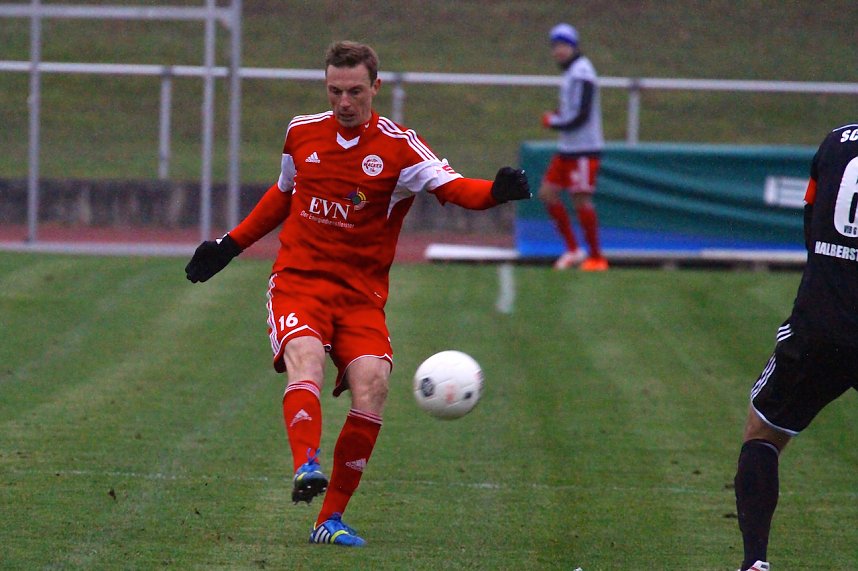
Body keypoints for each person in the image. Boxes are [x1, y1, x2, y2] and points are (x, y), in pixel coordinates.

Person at [184, 40, 531, 547]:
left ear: (375, 87)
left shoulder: (400, 148)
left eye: (354, 91)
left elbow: (454, 188)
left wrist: (495, 193)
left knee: (373, 384)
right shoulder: (301, 133)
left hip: (360, 298)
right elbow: (283, 194)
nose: (343, 102)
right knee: (306, 360)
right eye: (334, 91)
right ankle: (306, 463)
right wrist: (228, 245)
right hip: (299, 283)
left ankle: (328, 521)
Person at [733, 122, 858, 571]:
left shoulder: (836, 141)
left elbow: (811, 219)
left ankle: (755, 563)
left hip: (818, 324)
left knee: (763, 434)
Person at [539, 23, 608, 271]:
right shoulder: (571, 73)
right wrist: (559, 115)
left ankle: (596, 257)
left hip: (583, 149)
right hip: (568, 148)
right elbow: (573, 109)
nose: (558, 50)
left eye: (563, 45)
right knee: (548, 193)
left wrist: (554, 121)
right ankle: (573, 250)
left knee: (581, 201)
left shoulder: (582, 72)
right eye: (555, 46)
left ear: (574, 46)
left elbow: (582, 115)